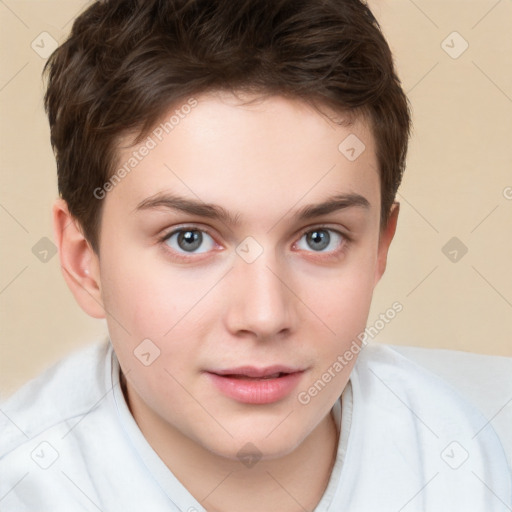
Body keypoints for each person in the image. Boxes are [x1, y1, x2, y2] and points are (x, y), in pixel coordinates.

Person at [0, 0, 510, 510]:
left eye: (319, 238)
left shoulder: (483, 460)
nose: (265, 316)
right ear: (84, 260)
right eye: (190, 239)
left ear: (380, 246)